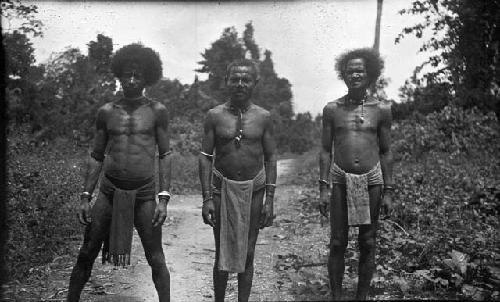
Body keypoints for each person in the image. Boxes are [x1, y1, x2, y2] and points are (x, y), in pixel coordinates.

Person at [67, 43, 171, 302]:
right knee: (86, 252)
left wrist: (163, 198)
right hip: (109, 191)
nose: (132, 80)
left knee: (155, 256)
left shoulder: (157, 111)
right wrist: (85, 196)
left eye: (138, 75)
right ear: (119, 76)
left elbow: (165, 154)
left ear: (147, 77)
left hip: (145, 194)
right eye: (127, 74)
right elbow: (96, 155)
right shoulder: (106, 112)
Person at [318, 48, 394, 300]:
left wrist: (389, 192)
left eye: (360, 70)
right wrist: (323, 188)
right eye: (350, 71)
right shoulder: (332, 109)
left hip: (372, 178)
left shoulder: (381, 109)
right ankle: (337, 297)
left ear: (370, 73)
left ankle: (361, 297)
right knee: (338, 242)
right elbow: (325, 151)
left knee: (368, 242)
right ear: (343, 75)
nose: (355, 75)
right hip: (340, 177)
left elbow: (385, 151)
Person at [199, 59, 277, 302]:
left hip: (254, 190)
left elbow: (271, 157)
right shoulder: (214, 115)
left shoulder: (263, 117)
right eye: (235, 79)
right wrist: (207, 198)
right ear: (226, 81)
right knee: (222, 251)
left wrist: (270, 200)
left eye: (245, 79)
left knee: (249, 253)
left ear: (255, 83)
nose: (240, 84)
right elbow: (205, 157)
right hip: (222, 189)